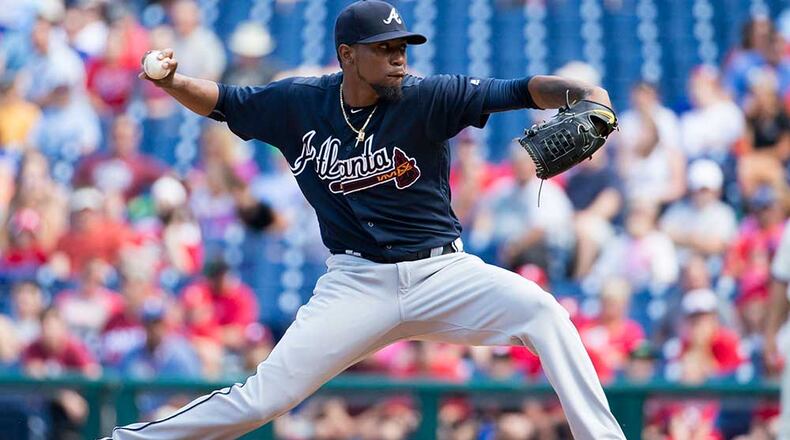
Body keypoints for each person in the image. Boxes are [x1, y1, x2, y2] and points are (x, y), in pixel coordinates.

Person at [105, 1, 625, 438]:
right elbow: (223, 101)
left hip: (443, 274)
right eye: (385, 48)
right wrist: (171, 81)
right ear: (347, 55)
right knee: (263, 399)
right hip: (356, 282)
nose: (398, 57)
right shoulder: (299, 103)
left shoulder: (429, 96)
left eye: (401, 47)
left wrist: (585, 95)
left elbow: (520, 89)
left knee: (546, 315)